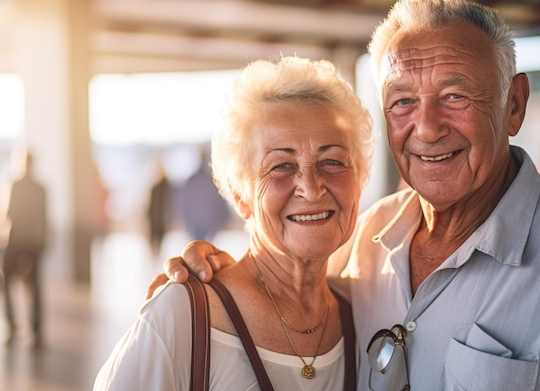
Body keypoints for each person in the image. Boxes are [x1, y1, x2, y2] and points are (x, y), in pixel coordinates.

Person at [153, 0, 540, 390]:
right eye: (403, 102)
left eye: (455, 96)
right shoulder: (369, 235)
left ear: (514, 105)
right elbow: (289, 286)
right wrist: (214, 273)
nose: (427, 128)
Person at [93, 56, 374, 391]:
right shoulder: (184, 315)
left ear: (359, 180)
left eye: (332, 161)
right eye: (281, 166)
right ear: (240, 196)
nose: (312, 188)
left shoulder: (366, 314)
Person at [1, 151, 48, 346]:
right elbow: (44, 219)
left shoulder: (16, 185)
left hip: (17, 241)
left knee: (9, 283)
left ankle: (13, 327)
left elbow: (9, 214)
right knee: (34, 286)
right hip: (32, 242)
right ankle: (34, 329)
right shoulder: (40, 188)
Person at [180, 148, 230, 242]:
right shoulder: (211, 180)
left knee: (198, 248)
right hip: (208, 222)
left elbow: (184, 202)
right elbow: (220, 199)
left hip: (197, 222)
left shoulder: (192, 180)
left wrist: (185, 219)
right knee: (205, 249)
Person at [147, 161, 173, 257]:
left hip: (162, 219)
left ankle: (159, 257)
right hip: (154, 218)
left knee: (162, 240)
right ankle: (155, 257)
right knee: (154, 240)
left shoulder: (167, 186)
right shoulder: (155, 187)